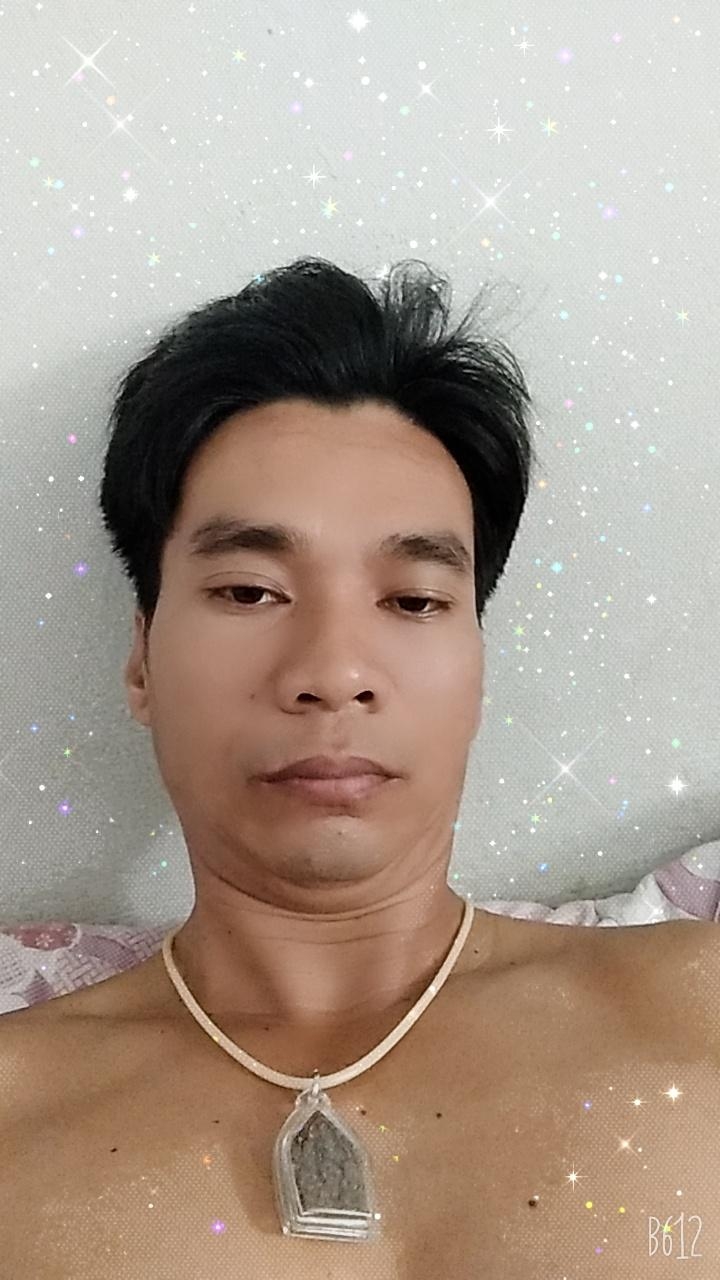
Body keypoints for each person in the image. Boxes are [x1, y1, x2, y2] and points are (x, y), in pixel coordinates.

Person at [0, 257, 717, 1279]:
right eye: (250, 591)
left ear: (477, 663)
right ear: (142, 658)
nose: (334, 673)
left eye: (414, 600)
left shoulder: (697, 1012)